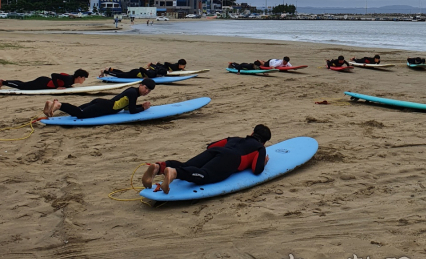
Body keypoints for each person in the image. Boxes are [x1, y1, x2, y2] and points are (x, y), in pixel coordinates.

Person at [141, 124, 271, 194]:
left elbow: (211, 146)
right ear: (264, 142)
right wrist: (263, 162)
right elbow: (256, 170)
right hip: (231, 158)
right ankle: (174, 172)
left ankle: (159, 167)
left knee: (186, 165)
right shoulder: (259, 148)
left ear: (252, 133)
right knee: (205, 175)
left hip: (217, 151)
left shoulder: (235, 138)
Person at [43, 79, 155, 119]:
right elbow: (132, 111)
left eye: (149, 90)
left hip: (102, 102)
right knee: (80, 114)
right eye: (145, 88)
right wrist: (143, 108)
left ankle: (51, 106)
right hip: (104, 107)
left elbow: (128, 107)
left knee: (76, 111)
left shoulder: (132, 91)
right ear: (140, 85)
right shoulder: (133, 93)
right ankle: (59, 105)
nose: (146, 91)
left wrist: (140, 106)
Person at [1, 69, 89, 91]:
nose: (84, 80)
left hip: (44, 81)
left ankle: (4, 81)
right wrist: (57, 87)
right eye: (84, 78)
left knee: (24, 84)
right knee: (22, 87)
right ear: (79, 77)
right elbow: (53, 75)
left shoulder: (71, 80)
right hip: (42, 83)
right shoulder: (69, 78)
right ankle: (3, 82)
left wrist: (68, 86)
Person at [100, 65, 167, 79]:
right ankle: (105, 72)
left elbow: (150, 67)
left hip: (135, 71)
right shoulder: (152, 74)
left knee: (123, 73)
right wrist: (144, 76)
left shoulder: (155, 70)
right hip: (135, 73)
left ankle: (110, 69)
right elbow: (141, 68)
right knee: (120, 75)